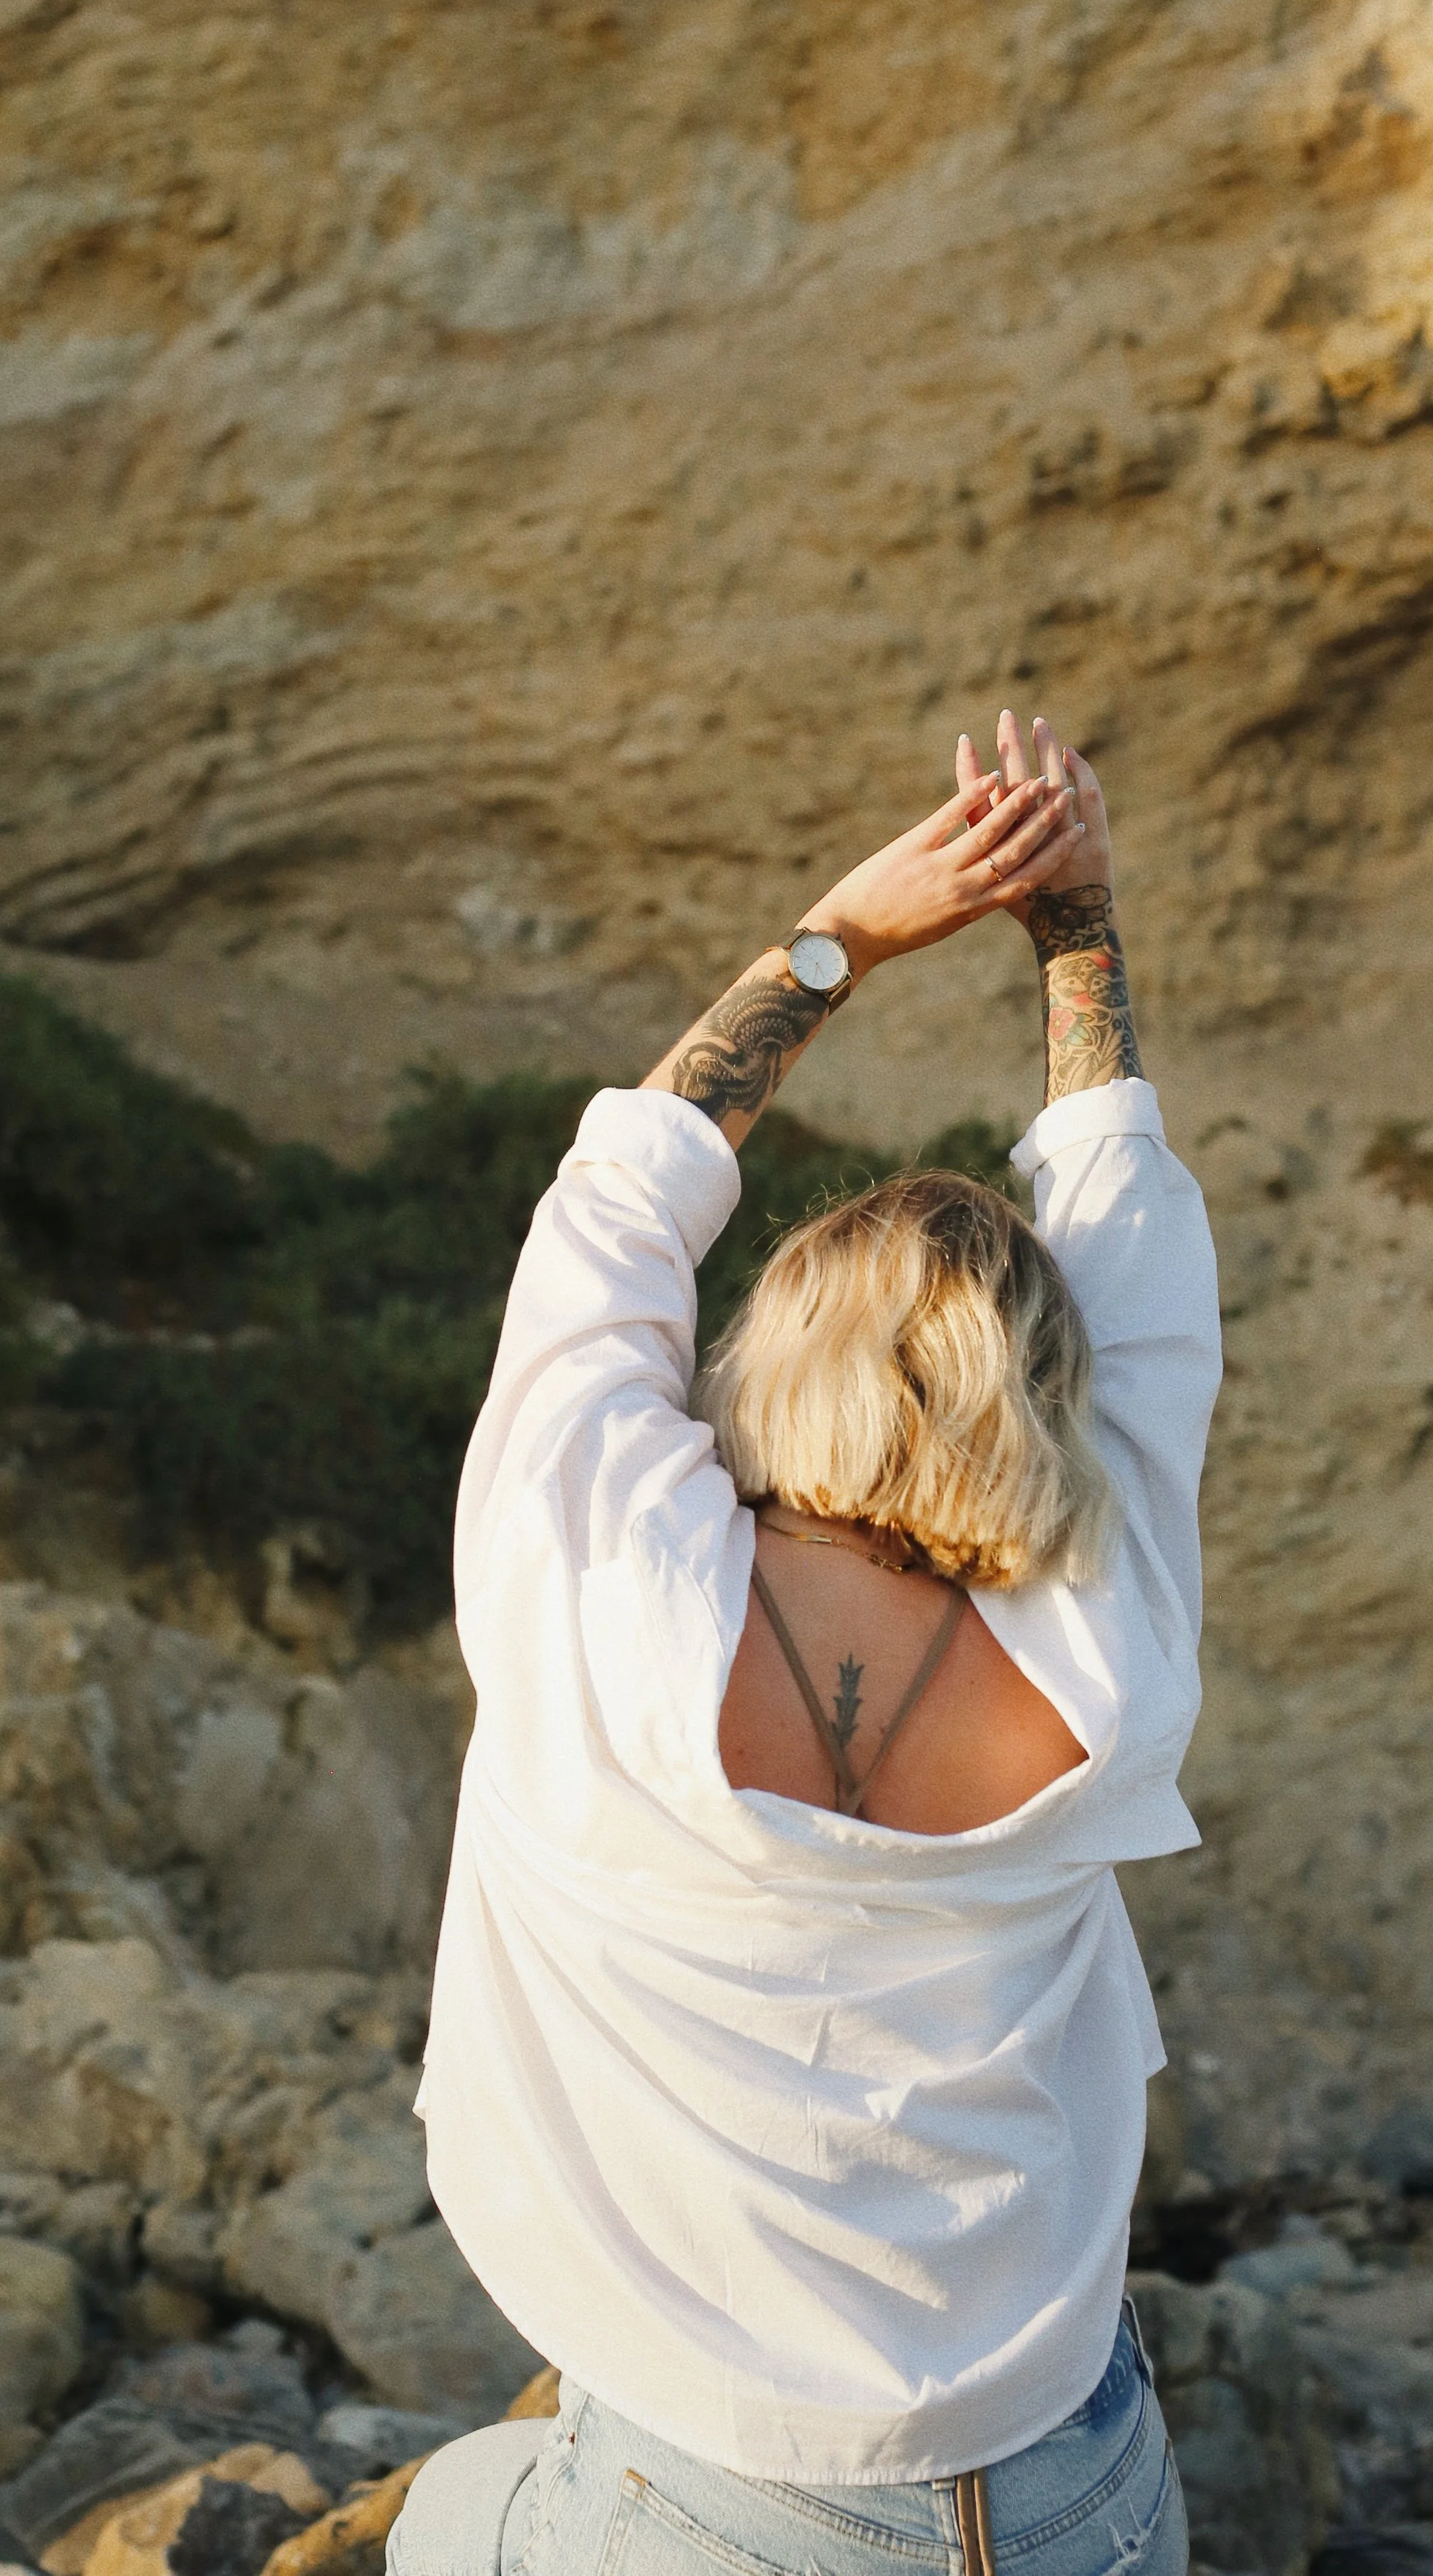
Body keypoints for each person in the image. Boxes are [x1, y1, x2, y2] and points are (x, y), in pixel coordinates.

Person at [389, 713, 1220, 2576]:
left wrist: (842, 931)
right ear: (1063, 1399)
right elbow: (1132, 1246)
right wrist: (1070, 922)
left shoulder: (600, 1569)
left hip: (715, 2513)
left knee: (442, 2516)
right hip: (1076, 2488)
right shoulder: (1109, 1632)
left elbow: (613, 1210)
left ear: (768, 1367)